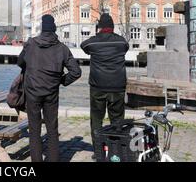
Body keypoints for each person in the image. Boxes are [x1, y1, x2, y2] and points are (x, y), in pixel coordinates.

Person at [18, 14, 82, 162]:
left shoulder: (31, 44)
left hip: (32, 92)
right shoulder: (62, 48)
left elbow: (20, 62)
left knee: (34, 130)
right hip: (51, 93)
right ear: (54, 30)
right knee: (52, 129)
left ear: (42, 29)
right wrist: (61, 81)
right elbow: (76, 71)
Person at [80, 13, 129, 157]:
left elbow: (84, 46)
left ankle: (98, 152)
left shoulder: (93, 43)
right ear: (113, 28)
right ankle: (116, 151)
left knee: (96, 119)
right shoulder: (121, 42)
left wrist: (97, 34)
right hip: (117, 86)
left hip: (98, 87)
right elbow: (125, 48)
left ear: (99, 27)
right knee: (117, 120)